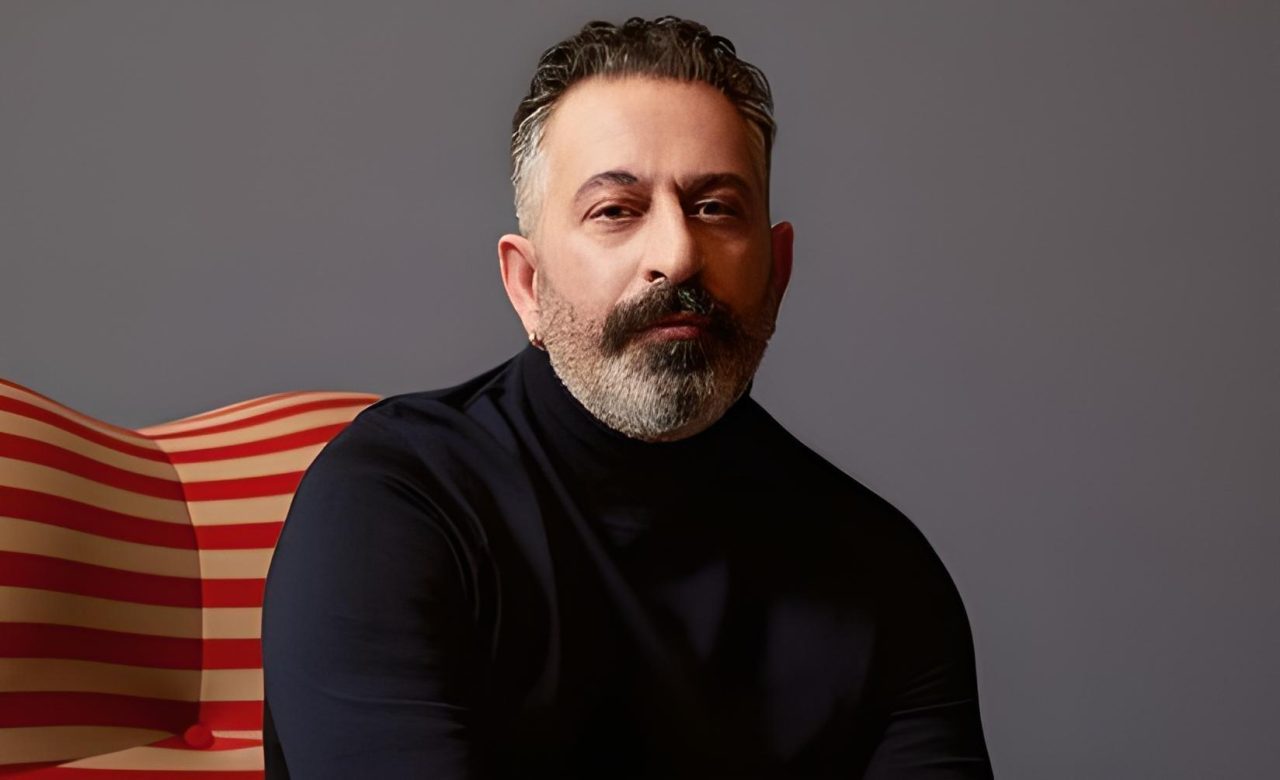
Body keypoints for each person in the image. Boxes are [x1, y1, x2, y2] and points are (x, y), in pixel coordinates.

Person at [261, 15, 993, 778]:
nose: (677, 254)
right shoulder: (393, 505)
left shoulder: (886, 573)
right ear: (527, 284)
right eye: (616, 210)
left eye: (715, 207)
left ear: (776, 272)